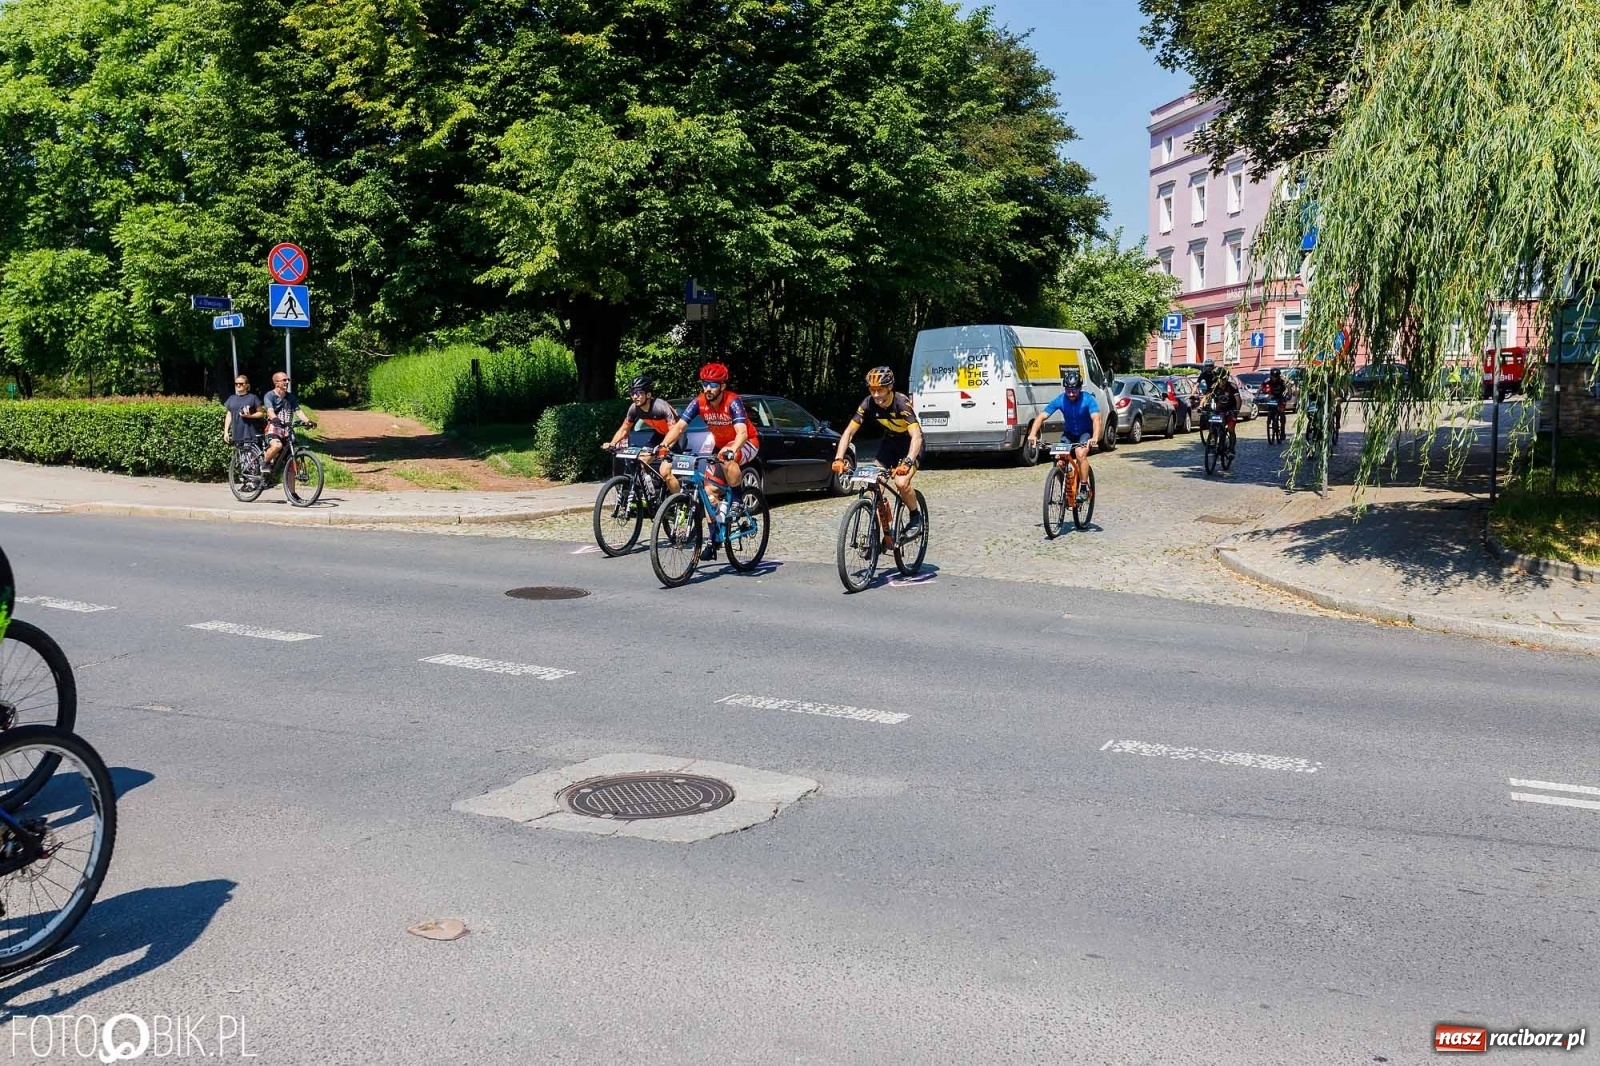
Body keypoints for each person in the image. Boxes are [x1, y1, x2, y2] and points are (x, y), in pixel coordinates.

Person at [654, 362, 760, 558]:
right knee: (709, 492)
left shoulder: (732, 401)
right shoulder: (699, 402)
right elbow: (678, 428)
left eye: (713, 384)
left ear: (722, 386)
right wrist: (663, 446)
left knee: (727, 458)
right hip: (721, 446)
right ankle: (713, 540)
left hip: (746, 442)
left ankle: (737, 499)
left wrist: (732, 450)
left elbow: (742, 432)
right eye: (704, 384)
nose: (708, 388)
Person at [830, 366, 925, 537]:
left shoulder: (901, 403)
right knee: (875, 484)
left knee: (901, 483)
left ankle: (915, 517)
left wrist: (908, 461)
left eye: (880, 390)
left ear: (889, 387)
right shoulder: (868, 404)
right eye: (872, 390)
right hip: (890, 443)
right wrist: (839, 457)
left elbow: (916, 436)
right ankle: (885, 533)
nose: (875, 395)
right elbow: (849, 432)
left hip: (911, 445)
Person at [1026, 369, 1102, 503]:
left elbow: (1096, 419)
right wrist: (1032, 434)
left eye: (1074, 390)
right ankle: (1064, 491)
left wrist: (1095, 437)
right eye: (1068, 390)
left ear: (1080, 388)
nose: (1071, 394)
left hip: (1085, 433)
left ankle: (1083, 488)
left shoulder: (1088, 399)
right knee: (1059, 459)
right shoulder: (1061, 400)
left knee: (1080, 453)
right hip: (1069, 434)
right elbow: (1042, 416)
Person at [603, 374, 677, 485]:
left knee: (665, 471)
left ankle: (677, 501)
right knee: (642, 461)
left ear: (648, 394)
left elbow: (674, 430)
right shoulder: (634, 408)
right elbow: (624, 429)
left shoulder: (660, 406)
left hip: (675, 436)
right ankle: (652, 492)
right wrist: (612, 443)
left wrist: (665, 446)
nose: (635, 397)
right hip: (659, 434)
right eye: (632, 393)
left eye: (638, 393)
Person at [261, 372, 316, 470]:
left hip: (287, 429)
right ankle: (265, 463)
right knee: (277, 446)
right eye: (284, 380)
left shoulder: (291, 397)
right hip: (274, 427)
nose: (287, 382)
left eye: (288, 380)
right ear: (276, 383)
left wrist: (308, 421)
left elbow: (298, 411)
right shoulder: (269, 396)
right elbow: (269, 410)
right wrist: (274, 418)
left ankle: (288, 480)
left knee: (291, 459)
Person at [1198, 365, 1242, 452]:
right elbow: (1206, 396)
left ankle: (1231, 449)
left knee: (1230, 429)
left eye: (1224, 380)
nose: (1222, 382)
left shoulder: (1232, 386)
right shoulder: (1215, 386)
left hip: (1231, 410)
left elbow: (1238, 400)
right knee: (1213, 424)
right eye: (1220, 380)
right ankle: (1213, 439)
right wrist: (1200, 406)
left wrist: (1236, 411)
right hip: (1219, 409)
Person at [223, 376, 265, 448]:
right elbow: (229, 415)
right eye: (236, 384)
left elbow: (261, 413)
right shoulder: (231, 398)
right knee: (241, 457)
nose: (238, 385)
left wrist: (250, 416)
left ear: (247, 385)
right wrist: (226, 432)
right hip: (237, 434)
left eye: (241, 383)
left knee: (249, 457)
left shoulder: (253, 398)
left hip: (250, 433)